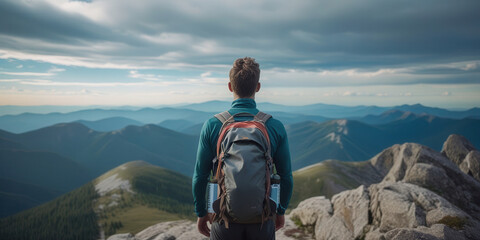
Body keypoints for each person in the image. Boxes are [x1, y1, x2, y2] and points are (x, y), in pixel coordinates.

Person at [192, 57, 293, 240]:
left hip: (224, 219)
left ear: (230, 86)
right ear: (258, 87)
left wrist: (201, 212)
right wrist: (280, 211)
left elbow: (200, 176)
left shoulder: (213, 125)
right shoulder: (274, 126)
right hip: (262, 218)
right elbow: (286, 176)